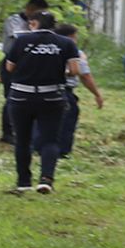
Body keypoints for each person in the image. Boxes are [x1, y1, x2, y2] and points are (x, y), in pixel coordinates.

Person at [2, 9, 82, 193]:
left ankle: (23, 182)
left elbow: (10, 66)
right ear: (54, 25)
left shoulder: (21, 40)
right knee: (50, 140)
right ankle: (46, 179)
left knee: (22, 140)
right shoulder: (66, 43)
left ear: (33, 23)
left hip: (21, 96)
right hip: (52, 96)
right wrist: (54, 70)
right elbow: (74, 70)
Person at [48, 21, 104, 161]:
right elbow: (85, 75)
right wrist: (97, 94)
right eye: (75, 37)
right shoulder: (74, 52)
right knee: (67, 121)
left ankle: (39, 147)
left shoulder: (46, 50)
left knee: (43, 120)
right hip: (64, 92)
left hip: (43, 90)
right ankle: (62, 151)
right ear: (70, 37)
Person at [0, 0, 49, 144]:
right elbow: (19, 37)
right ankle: (7, 132)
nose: (39, 17)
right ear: (29, 9)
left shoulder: (39, 23)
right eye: (37, 13)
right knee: (11, 96)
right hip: (12, 61)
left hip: (32, 62)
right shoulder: (14, 20)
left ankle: (28, 131)